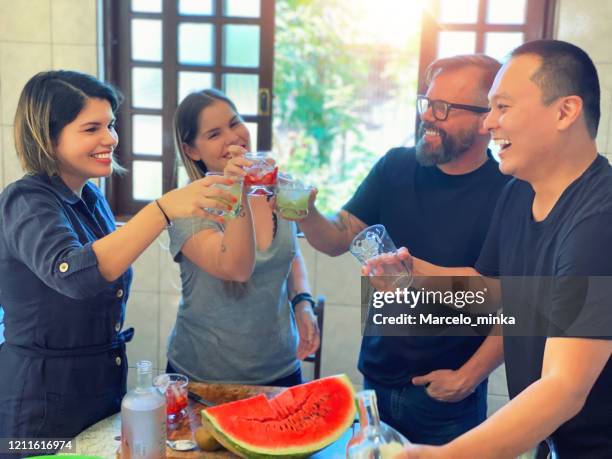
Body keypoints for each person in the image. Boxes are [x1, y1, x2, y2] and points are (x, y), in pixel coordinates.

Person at [368, 40, 612, 458]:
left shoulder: (600, 220)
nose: (488, 125)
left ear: (565, 111)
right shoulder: (518, 193)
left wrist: (445, 455)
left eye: (503, 107)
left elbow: (565, 387)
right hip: (555, 440)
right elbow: (497, 292)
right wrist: (413, 275)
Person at [0, 70, 238, 443]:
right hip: (40, 404)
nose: (110, 138)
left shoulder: (91, 198)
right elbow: (74, 274)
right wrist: (162, 210)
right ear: (47, 136)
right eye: (91, 128)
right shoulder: (25, 201)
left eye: (110, 125)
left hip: (98, 389)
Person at [298, 55, 509, 444]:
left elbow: (516, 302)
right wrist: (305, 211)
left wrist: (468, 377)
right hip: (376, 379)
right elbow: (336, 239)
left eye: (443, 108)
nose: (428, 116)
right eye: (426, 103)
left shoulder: (509, 192)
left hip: (446, 397)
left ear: (486, 119)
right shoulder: (394, 166)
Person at [165, 89, 320, 386]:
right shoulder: (186, 207)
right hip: (203, 376)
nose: (233, 137)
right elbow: (235, 268)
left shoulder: (277, 187)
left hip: (280, 369)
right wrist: (238, 185)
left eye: (235, 123)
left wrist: (302, 302)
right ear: (192, 151)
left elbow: (289, 252)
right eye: (214, 134)